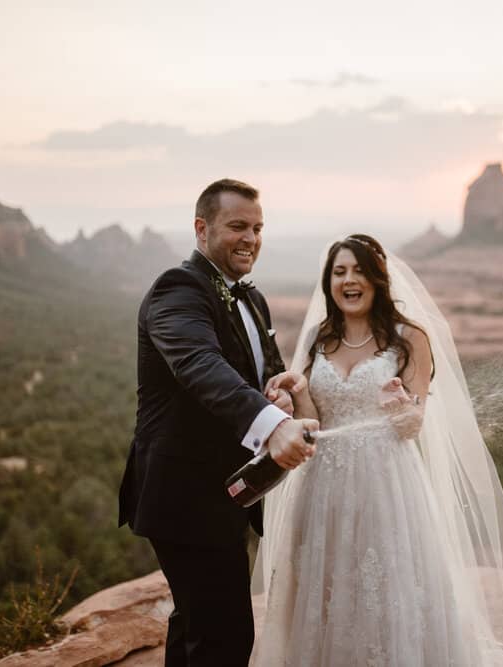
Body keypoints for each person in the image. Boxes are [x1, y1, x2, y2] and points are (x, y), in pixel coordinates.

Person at [253, 234, 503, 666]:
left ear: (378, 278)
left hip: (386, 484)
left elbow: (413, 424)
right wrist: (296, 389)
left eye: (359, 270)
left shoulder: (409, 338)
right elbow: (315, 422)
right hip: (325, 488)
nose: (349, 280)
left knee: (388, 589)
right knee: (328, 592)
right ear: (328, 282)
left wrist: (400, 406)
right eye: (339, 272)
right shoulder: (321, 340)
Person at [118, 178, 319, 667]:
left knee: (197, 625)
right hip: (184, 493)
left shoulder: (251, 298)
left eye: (257, 227)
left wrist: (280, 389)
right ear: (201, 228)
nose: (250, 238)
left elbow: (261, 369)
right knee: (225, 636)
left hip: (225, 492)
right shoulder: (177, 289)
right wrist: (272, 427)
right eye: (237, 226)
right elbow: (200, 365)